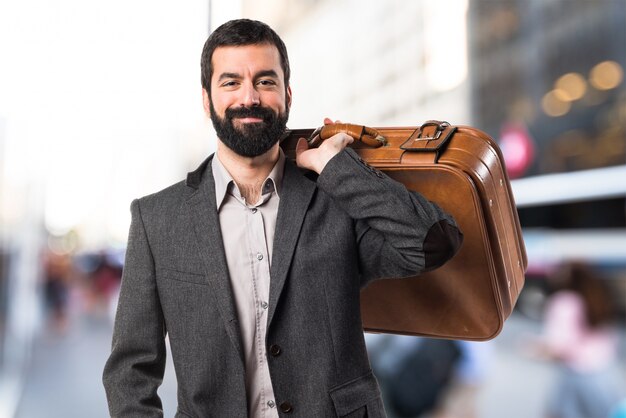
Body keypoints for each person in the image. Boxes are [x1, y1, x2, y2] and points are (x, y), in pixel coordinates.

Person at [102, 19, 462, 418]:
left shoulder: (336, 199)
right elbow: (130, 370)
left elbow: (433, 242)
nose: (249, 97)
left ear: (287, 95)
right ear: (207, 100)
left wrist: (340, 169)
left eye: (265, 81)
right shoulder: (157, 220)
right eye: (230, 82)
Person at [529, 262, 625, 418]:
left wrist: (533, 348)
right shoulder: (597, 298)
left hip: (576, 376)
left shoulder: (564, 302)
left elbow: (557, 346)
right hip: (604, 374)